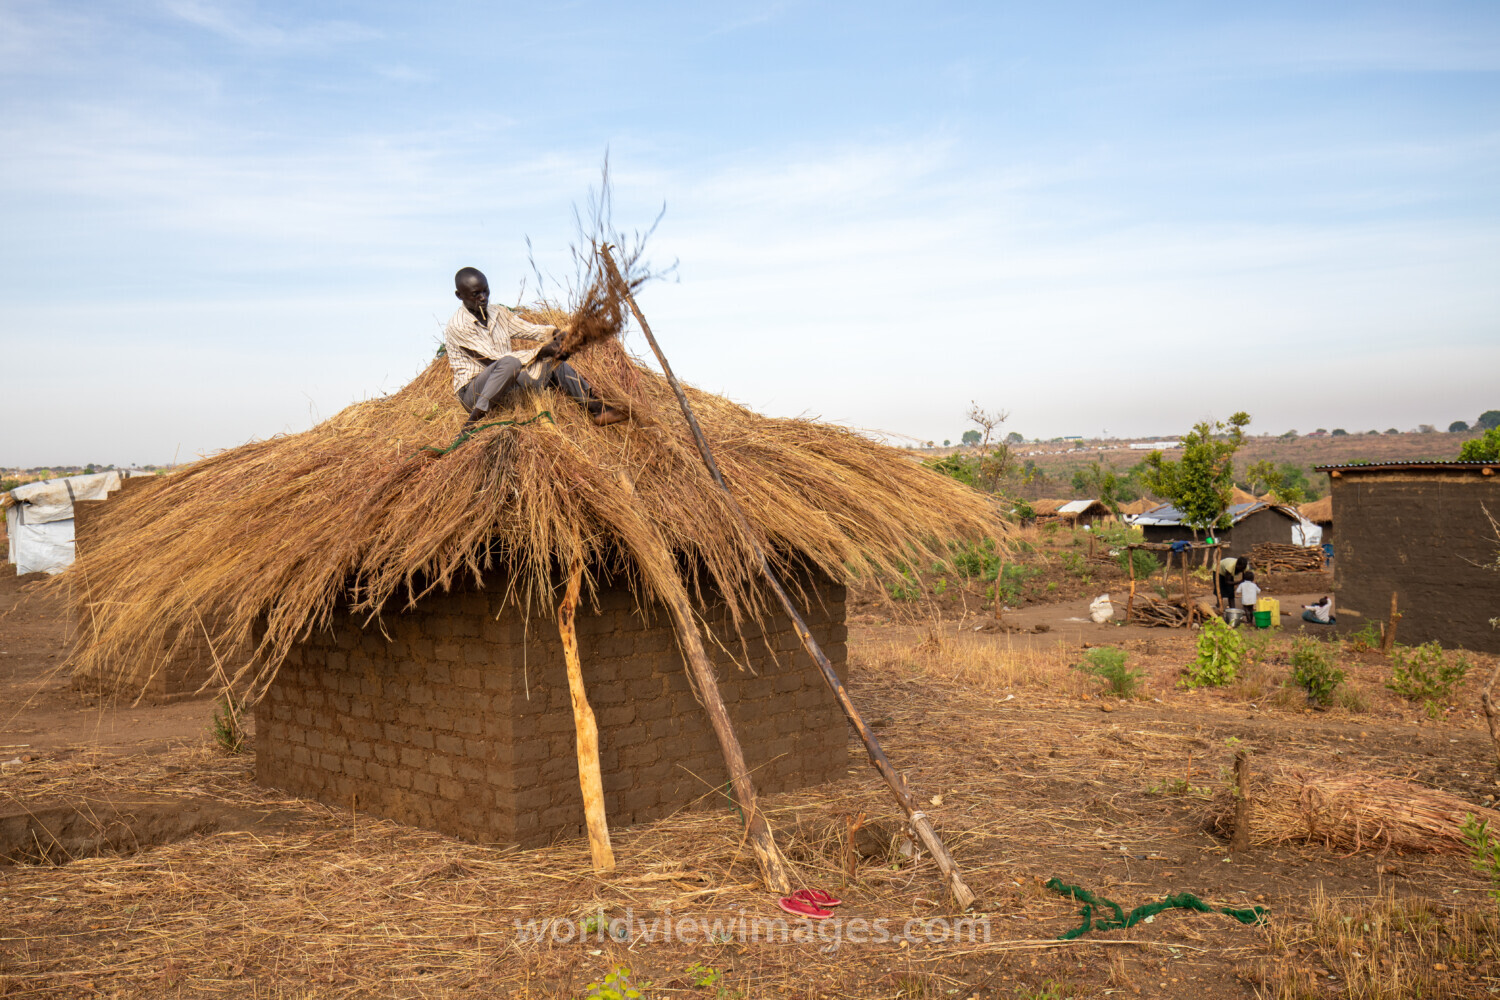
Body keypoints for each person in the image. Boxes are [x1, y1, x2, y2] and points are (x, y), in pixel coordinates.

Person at [444, 267, 627, 428]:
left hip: (506, 380)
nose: (483, 298)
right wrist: (540, 351)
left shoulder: (498, 313)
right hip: (474, 392)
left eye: (486, 291)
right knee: (510, 363)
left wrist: (556, 334)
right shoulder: (458, 326)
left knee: (554, 363)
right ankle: (473, 421)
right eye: (476, 294)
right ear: (459, 295)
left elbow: (528, 330)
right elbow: (492, 360)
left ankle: (596, 408)